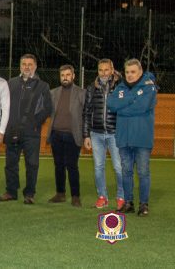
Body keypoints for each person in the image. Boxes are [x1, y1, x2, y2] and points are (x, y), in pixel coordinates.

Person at [0, 54, 52, 204]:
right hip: (12, 130)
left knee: (32, 164)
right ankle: (11, 191)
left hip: (31, 133)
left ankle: (29, 194)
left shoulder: (43, 85)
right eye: (24, 64)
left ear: (35, 66)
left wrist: (35, 123)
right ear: (20, 66)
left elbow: (48, 108)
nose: (27, 67)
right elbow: (2, 106)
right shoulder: (10, 83)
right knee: (10, 163)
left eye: (30, 64)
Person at [107, 59, 157, 217]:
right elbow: (111, 104)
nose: (129, 75)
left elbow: (142, 107)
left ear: (140, 71)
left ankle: (143, 204)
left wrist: (122, 106)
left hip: (142, 138)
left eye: (133, 72)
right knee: (126, 172)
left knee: (143, 172)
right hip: (123, 138)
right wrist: (131, 99)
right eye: (127, 72)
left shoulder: (149, 86)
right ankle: (128, 203)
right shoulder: (120, 87)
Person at [83, 58, 124, 210]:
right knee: (98, 167)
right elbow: (87, 112)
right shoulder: (91, 88)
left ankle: (121, 197)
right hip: (96, 134)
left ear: (112, 70)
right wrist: (86, 135)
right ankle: (102, 197)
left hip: (115, 134)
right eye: (101, 70)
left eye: (107, 70)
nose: (104, 73)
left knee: (119, 167)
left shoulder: (121, 87)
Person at [46, 65, 85, 207]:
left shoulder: (82, 93)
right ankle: (60, 194)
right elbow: (47, 111)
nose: (65, 78)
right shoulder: (53, 93)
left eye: (68, 75)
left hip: (72, 135)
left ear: (73, 76)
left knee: (72, 166)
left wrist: (86, 135)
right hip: (56, 134)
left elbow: (86, 115)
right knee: (58, 166)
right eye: (62, 75)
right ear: (60, 77)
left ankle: (75, 196)